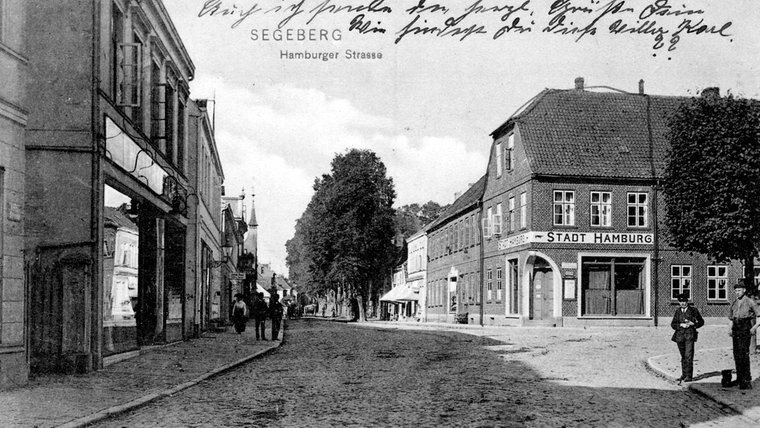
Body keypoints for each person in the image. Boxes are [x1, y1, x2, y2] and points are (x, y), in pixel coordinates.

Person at [728, 283, 759, 390]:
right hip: (736, 328)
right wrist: (730, 328)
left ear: (744, 290)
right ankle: (739, 378)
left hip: (745, 327)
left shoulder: (750, 302)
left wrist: (754, 327)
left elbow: (759, 316)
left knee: (743, 354)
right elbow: (731, 318)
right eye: (736, 291)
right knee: (736, 353)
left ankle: (746, 380)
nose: (737, 292)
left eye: (739, 290)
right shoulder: (735, 303)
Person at [670, 293, 704, 382]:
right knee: (683, 356)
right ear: (679, 303)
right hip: (680, 337)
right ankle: (683, 374)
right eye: (681, 302)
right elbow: (673, 324)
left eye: (684, 301)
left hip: (689, 336)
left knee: (688, 355)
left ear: (687, 301)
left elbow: (701, 322)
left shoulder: (693, 310)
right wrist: (680, 325)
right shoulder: (678, 311)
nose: (683, 303)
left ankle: (689, 376)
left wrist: (694, 324)